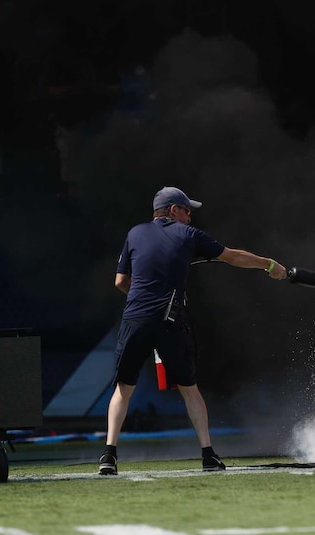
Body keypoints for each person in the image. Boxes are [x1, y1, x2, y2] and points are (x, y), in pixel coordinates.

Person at [98, 186, 288, 475]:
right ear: (173, 210)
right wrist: (270, 265)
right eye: (187, 211)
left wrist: (141, 301)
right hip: (168, 321)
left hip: (134, 318)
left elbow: (120, 281)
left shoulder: (134, 234)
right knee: (189, 389)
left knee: (124, 389)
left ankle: (108, 456)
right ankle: (208, 455)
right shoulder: (188, 235)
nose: (190, 217)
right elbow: (233, 256)